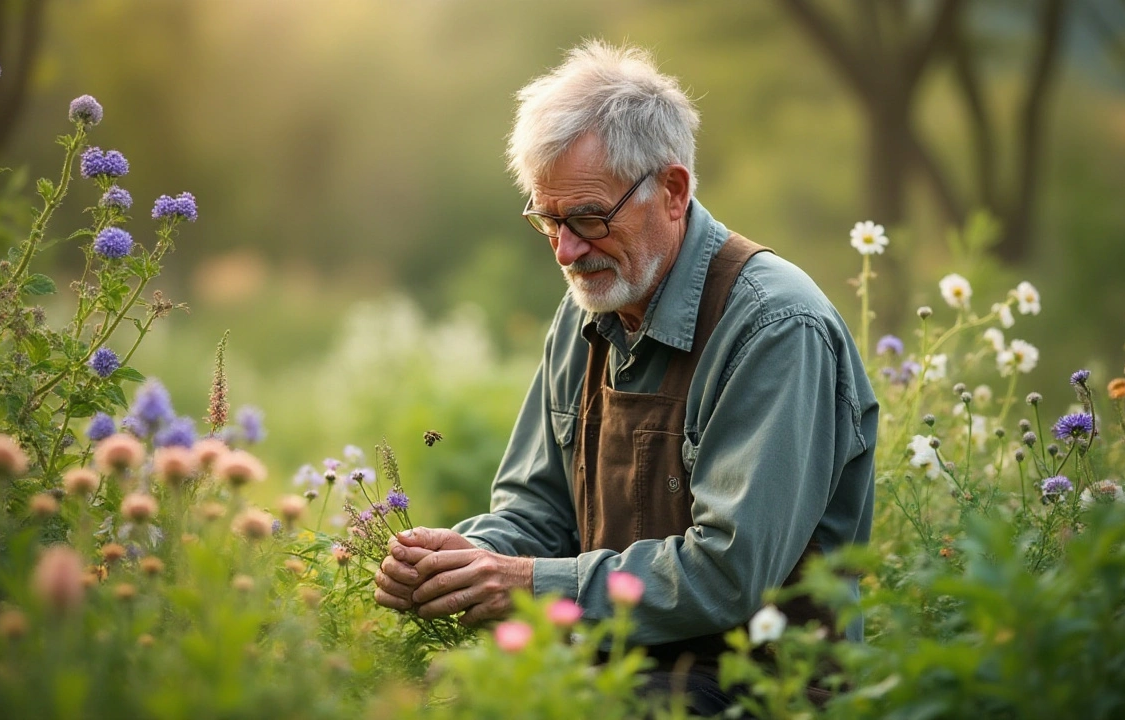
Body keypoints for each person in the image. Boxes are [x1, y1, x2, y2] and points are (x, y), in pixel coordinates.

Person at [374, 40, 877, 713]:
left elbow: (730, 573)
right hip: (617, 667)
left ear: (672, 191)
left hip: (762, 686)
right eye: (548, 220)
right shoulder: (590, 305)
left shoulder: (776, 328)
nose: (565, 250)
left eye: (587, 218)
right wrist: (461, 562)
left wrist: (523, 583)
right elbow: (538, 509)